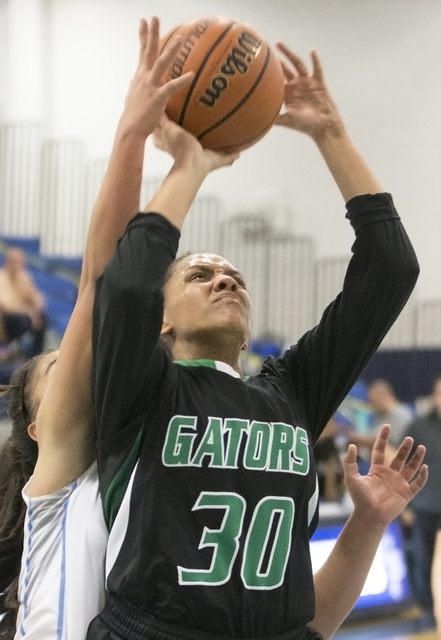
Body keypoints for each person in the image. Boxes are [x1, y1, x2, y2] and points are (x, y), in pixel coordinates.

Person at [87, 41, 426, 640]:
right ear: (161, 320)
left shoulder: (290, 391)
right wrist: (191, 165)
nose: (225, 278)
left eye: (234, 277)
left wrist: (331, 134)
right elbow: (128, 281)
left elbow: (390, 268)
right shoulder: (139, 387)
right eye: (200, 274)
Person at [0, 18, 197, 639]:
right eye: (59, 369)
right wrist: (135, 130)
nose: (83, 363)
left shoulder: (152, 470)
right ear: (40, 424)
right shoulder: (61, 478)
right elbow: (99, 281)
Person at [404, 375, 441, 627]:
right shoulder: (418, 426)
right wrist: (405, 504)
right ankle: (427, 609)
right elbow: (400, 463)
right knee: (423, 560)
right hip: (425, 505)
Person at [0, 247, 47, 358]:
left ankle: (36, 356)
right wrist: (28, 312)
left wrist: (35, 310)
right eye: (15, 262)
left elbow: (36, 297)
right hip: (6, 319)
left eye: (20, 262)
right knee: (22, 320)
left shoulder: (24, 277)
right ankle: (13, 350)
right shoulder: (2, 277)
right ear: (8, 262)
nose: (18, 265)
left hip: (24, 315)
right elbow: (6, 305)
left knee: (43, 318)